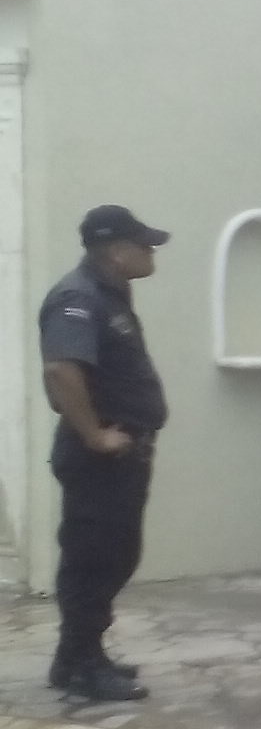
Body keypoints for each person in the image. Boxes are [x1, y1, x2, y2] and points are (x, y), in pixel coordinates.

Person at [37, 205, 170, 703]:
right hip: (99, 458)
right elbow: (61, 371)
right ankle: (81, 664)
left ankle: (77, 654)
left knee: (115, 556)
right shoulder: (78, 297)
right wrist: (95, 435)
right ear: (116, 251)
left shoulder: (108, 295)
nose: (151, 250)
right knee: (92, 559)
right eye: (143, 243)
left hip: (122, 457)